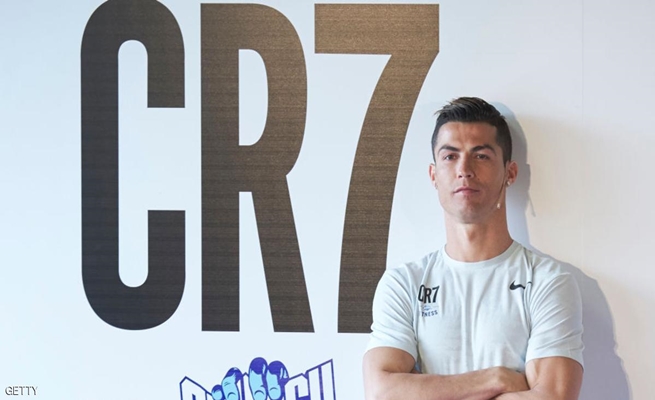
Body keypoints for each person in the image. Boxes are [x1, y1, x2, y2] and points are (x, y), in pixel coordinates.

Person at [363, 97, 584, 400]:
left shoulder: (548, 282)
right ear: (433, 175)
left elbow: (553, 398)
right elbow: (382, 392)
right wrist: (498, 379)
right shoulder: (404, 284)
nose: (464, 169)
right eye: (450, 156)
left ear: (510, 173)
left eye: (481, 156)